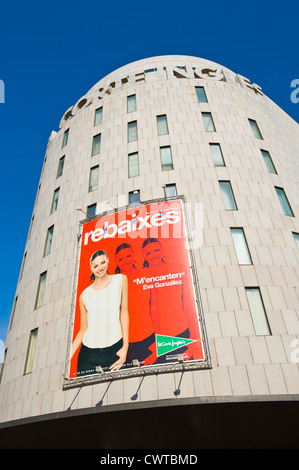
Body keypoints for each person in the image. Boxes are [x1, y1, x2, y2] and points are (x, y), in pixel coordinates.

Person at [141, 237, 203, 362]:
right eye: (148, 253)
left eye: (156, 250)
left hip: (182, 335)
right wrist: (159, 343)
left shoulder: (178, 268)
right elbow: (154, 310)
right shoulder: (143, 276)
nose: (153, 255)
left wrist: (194, 338)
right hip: (157, 340)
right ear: (143, 255)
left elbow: (188, 304)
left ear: (162, 249)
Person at [71, 249, 129, 376]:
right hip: (87, 356)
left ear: (107, 261)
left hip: (114, 351)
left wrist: (125, 347)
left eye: (102, 263)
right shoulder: (84, 295)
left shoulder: (121, 280)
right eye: (96, 266)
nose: (100, 268)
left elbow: (124, 313)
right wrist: (66, 358)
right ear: (91, 268)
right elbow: (82, 330)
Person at [114, 243, 156, 366]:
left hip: (149, 339)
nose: (125, 261)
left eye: (128, 256)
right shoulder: (113, 283)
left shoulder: (146, 273)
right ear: (116, 261)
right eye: (120, 259)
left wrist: (158, 341)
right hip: (125, 344)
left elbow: (155, 306)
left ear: (133, 256)